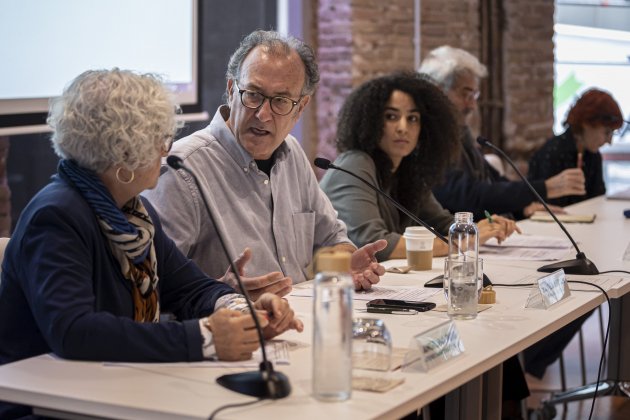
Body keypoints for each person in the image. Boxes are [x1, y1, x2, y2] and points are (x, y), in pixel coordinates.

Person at [0, 69, 303, 419]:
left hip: (117, 388)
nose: (166, 148)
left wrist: (242, 312)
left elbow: (189, 289)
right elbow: (74, 331)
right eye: (159, 137)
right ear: (123, 151)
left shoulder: (131, 212)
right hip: (50, 404)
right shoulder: (56, 217)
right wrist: (205, 338)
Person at [144, 30, 386, 298]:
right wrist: (217, 293)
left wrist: (343, 265)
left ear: (300, 107)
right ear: (231, 90)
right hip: (233, 330)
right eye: (253, 95)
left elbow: (333, 239)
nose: (263, 114)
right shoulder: (181, 169)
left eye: (281, 101)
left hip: (301, 323)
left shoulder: (292, 153)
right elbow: (151, 285)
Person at [319, 72, 519, 262]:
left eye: (413, 119)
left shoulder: (406, 169)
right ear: (370, 122)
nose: (403, 127)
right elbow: (375, 243)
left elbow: (443, 223)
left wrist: (477, 229)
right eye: (391, 117)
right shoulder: (355, 164)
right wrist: (463, 241)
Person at [418, 45, 586, 221]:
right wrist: (545, 187)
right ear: (437, 91)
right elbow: (465, 196)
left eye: (474, 96)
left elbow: (493, 179)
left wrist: (524, 207)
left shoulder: (459, 134)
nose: (472, 106)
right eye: (466, 95)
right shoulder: (427, 137)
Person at [528, 88, 623, 207]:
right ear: (587, 124)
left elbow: (597, 202)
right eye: (607, 132)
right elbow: (546, 211)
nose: (609, 141)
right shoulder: (552, 153)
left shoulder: (593, 156)